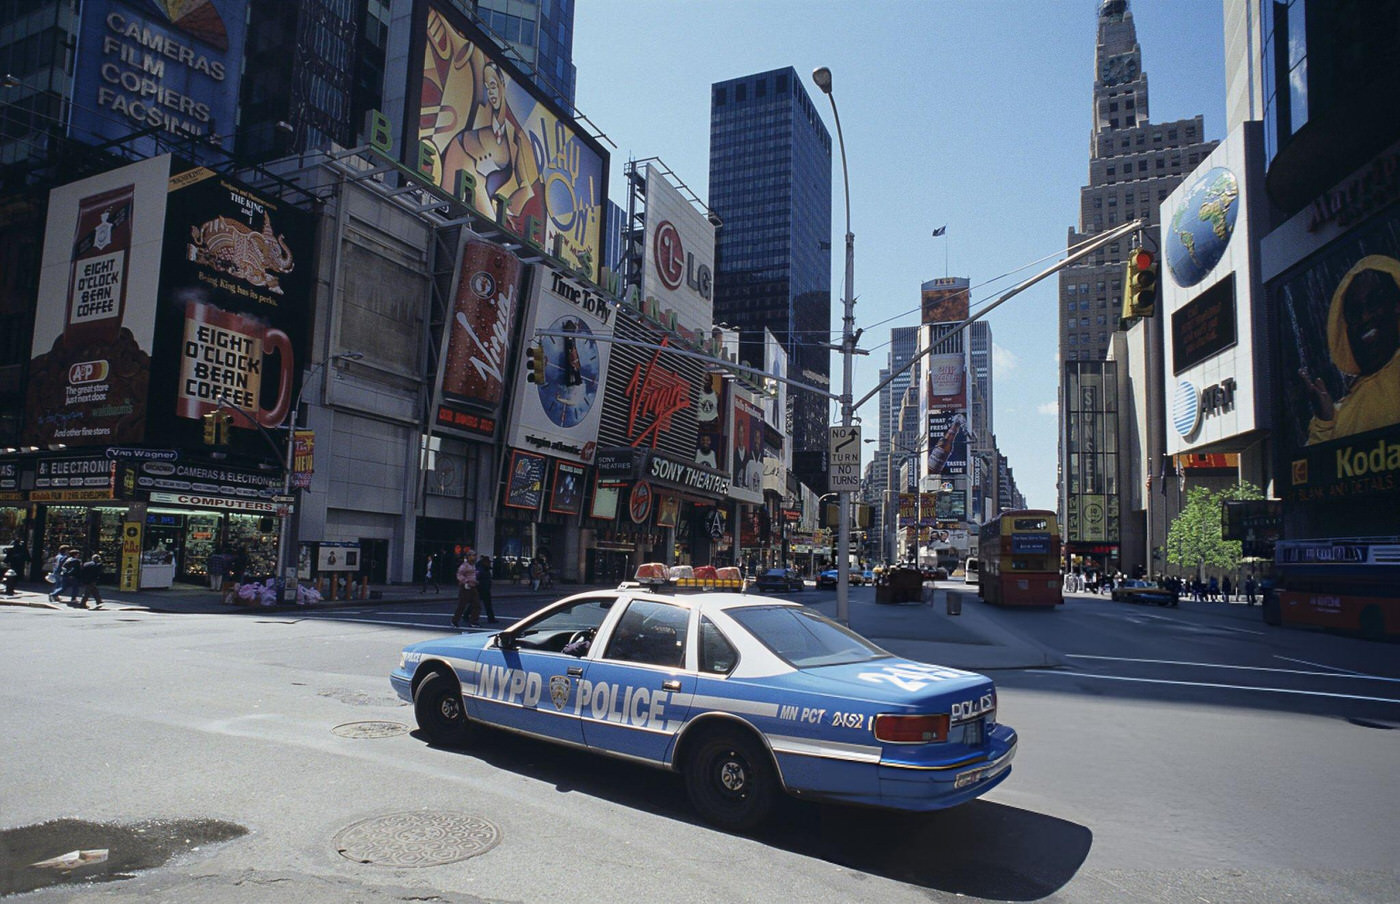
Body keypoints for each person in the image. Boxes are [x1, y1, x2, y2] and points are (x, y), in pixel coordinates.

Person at [1301, 255, 1400, 444]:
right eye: (1354, 312)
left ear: (1396, 305)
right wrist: (1325, 421)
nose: (1364, 317)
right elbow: (1319, 466)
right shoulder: (1340, 412)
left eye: (1373, 302)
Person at [453, 550, 480, 628]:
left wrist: (476, 579)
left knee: (476, 605)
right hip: (466, 587)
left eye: (475, 555)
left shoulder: (473, 565)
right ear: (468, 557)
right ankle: (455, 620)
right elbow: (459, 574)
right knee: (462, 605)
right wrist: (465, 581)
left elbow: (473, 574)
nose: (474, 557)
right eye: (472, 555)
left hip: (473, 586)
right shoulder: (464, 566)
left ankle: (474, 621)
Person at [476, 554, 497, 624]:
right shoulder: (481, 569)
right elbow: (477, 578)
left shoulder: (485, 569)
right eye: (488, 562)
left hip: (485, 588)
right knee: (479, 604)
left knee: (486, 604)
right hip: (481, 588)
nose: (489, 563)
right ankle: (491, 618)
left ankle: (491, 618)